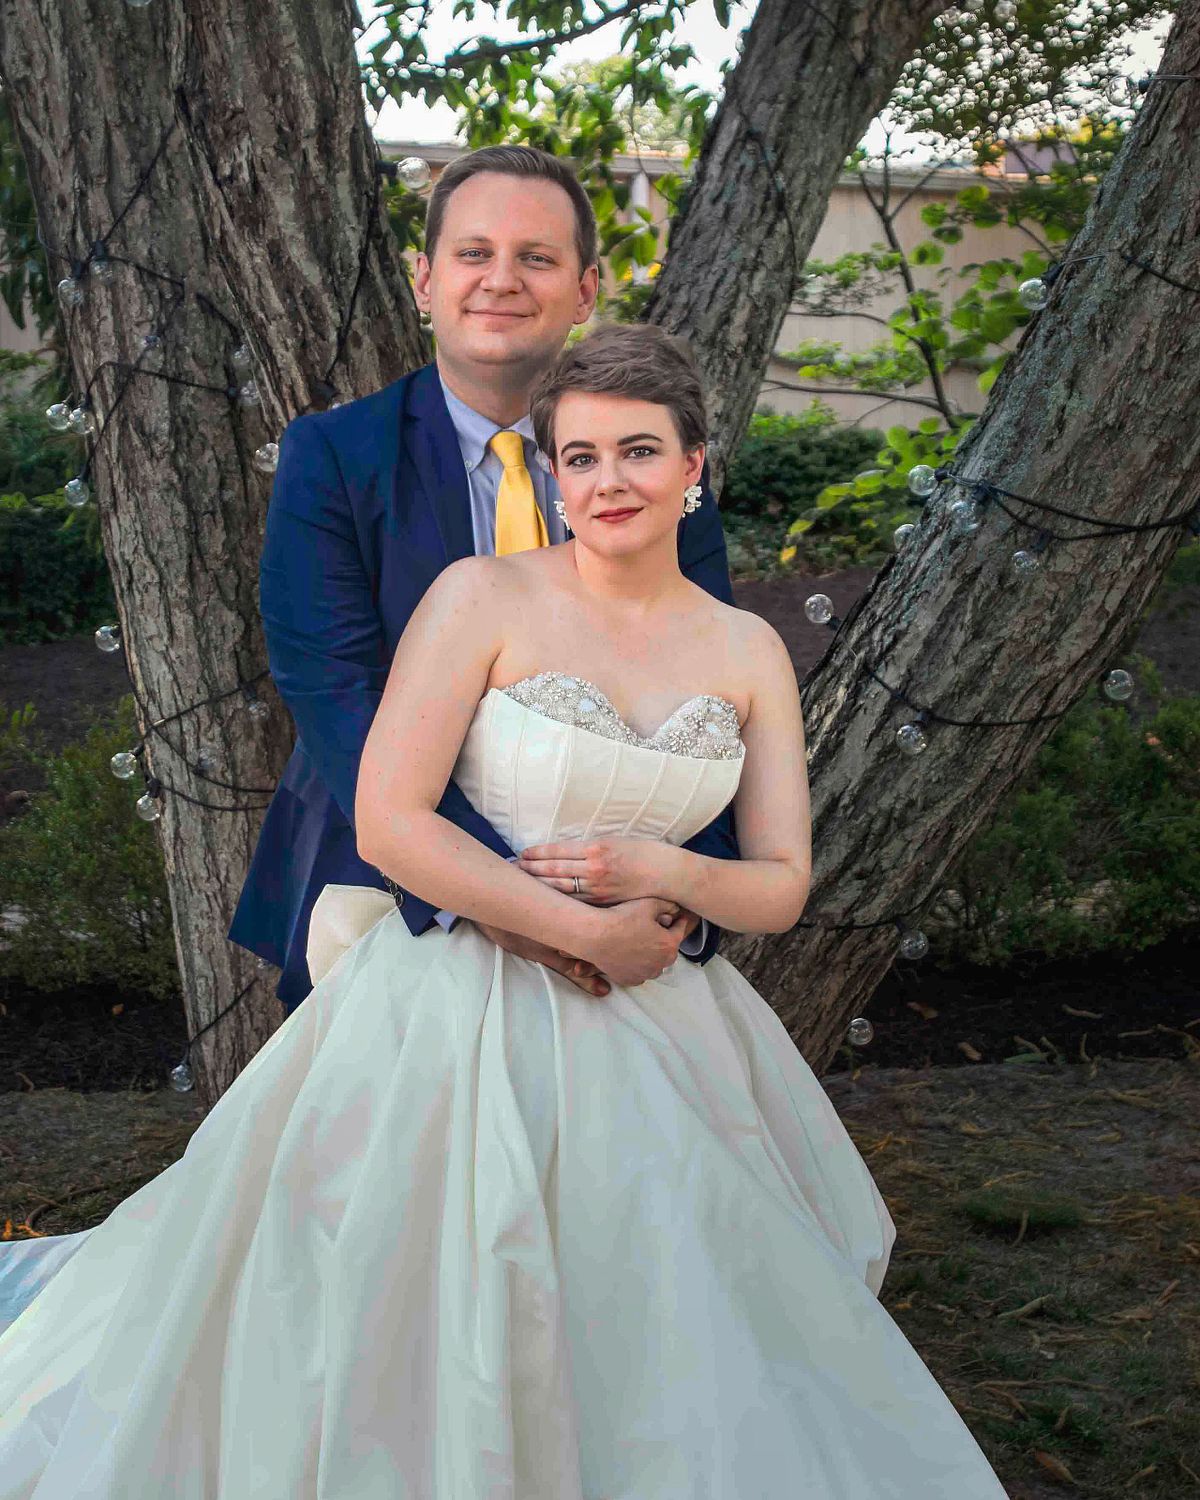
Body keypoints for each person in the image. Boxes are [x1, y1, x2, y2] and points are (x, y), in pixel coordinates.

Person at [0, 322, 1008, 1497]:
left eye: (638, 451)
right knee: (411, 1289)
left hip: (664, 1024)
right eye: (577, 458)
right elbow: (389, 821)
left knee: (658, 1300)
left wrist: (666, 875)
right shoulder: (479, 596)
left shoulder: (747, 649)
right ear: (552, 475)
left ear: (696, 465)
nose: (607, 483)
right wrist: (580, 932)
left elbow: (780, 883)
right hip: (451, 1009)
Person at [226, 143, 739, 1017]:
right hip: (393, 893)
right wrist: (508, 899)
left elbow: (716, 701)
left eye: (536, 257)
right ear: (424, 280)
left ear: (585, 290)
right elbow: (335, 693)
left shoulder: (652, 476)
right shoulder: (335, 459)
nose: (501, 279)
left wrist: (684, 900)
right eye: (474, 253)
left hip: (624, 914)